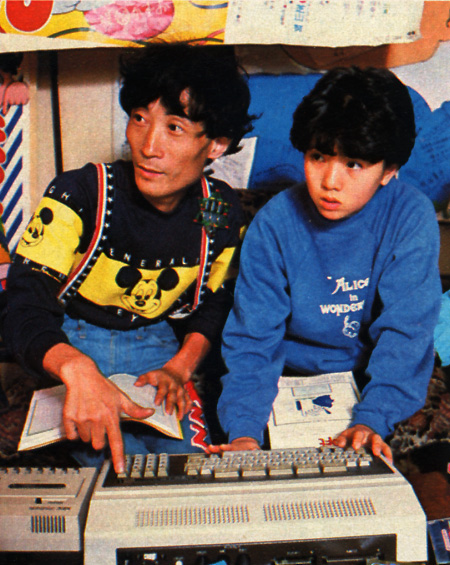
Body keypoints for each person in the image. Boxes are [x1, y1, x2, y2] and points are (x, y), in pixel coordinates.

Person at [3, 43, 253, 473]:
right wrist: (75, 368)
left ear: (216, 144)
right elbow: (24, 301)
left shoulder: (220, 211)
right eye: (139, 118)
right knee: (110, 470)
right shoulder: (81, 193)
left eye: (174, 128)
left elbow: (216, 300)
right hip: (70, 339)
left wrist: (180, 367)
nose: (148, 146)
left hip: (158, 348)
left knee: (189, 471)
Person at [212, 66, 442, 462]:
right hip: (286, 375)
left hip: (371, 372)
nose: (330, 181)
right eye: (318, 157)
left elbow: (405, 334)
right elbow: (253, 339)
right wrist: (244, 431)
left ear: (389, 170)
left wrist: (372, 419)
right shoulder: (275, 222)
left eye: (354, 164)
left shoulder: (410, 215)